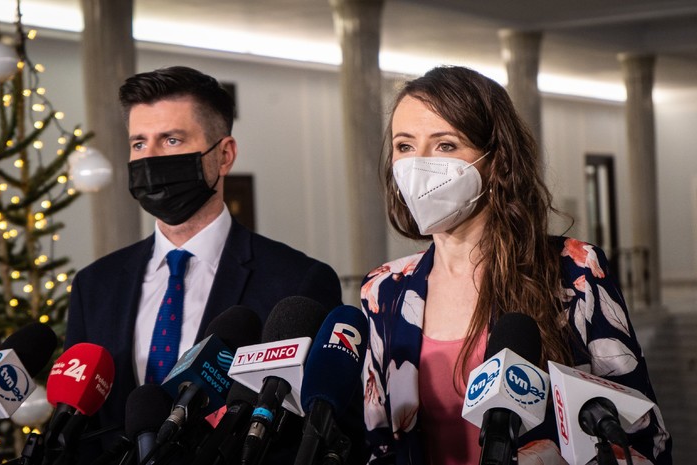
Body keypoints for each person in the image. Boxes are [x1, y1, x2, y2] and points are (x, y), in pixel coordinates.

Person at [360, 65, 672, 464]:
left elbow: (643, 436)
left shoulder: (574, 272)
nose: (418, 165)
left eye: (445, 145)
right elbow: (378, 440)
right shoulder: (383, 289)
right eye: (404, 146)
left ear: (495, 161)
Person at [65, 66, 343, 462]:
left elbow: (315, 430)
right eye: (139, 143)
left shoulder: (298, 281)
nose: (150, 158)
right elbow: (82, 428)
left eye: (171, 140)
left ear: (224, 155)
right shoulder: (94, 286)